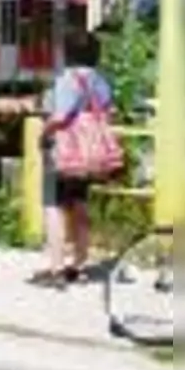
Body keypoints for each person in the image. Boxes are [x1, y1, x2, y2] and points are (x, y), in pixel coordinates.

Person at [29, 28, 116, 288]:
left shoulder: (67, 79)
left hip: (63, 152)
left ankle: (56, 269)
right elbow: (108, 112)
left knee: (53, 206)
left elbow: (60, 117)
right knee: (79, 204)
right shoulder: (100, 81)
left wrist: (44, 132)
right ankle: (78, 266)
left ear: (66, 53)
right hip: (88, 154)